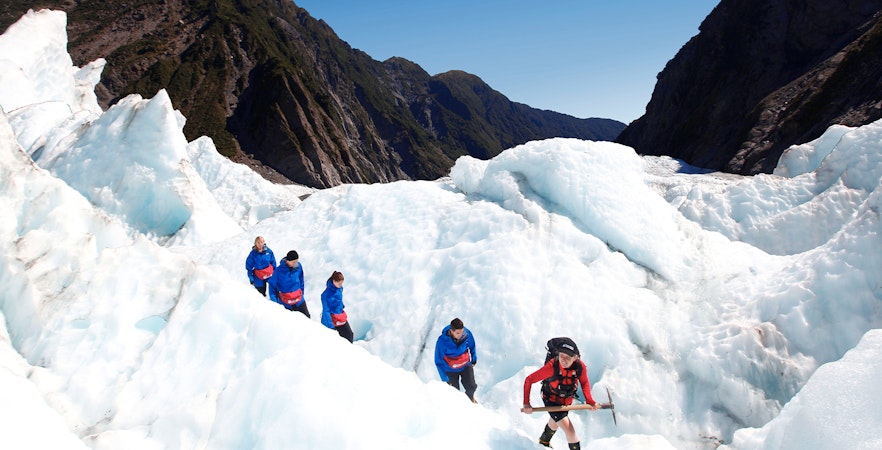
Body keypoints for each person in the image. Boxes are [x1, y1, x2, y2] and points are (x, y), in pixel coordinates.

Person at [522, 338, 597, 450]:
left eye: (568, 357)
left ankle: (543, 441)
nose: (564, 360)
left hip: (566, 400)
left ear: (575, 358)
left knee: (555, 422)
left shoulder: (579, 367)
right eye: (562, 356)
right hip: (550, 399)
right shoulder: (552, 366)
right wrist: (526, 403)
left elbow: (584, 382)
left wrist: (589, 400)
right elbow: (529, 380)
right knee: (570, 431)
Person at [434, 318, 478, 403]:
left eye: (462, 332)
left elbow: (472, 346)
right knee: (454, 394)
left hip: (465, 365)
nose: (461, 335)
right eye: (458, 333)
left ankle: (470, 400)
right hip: (450, 370)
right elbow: (438, 361)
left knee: (472, 387)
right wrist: (445, 379)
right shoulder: (442, 342)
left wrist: (474, 358)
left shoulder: (467, 334)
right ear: (451, 331)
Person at [267, 250, 310, 317]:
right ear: (287, 261)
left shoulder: (298, 266)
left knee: (307, 318)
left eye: (296, 261)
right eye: (293, 262)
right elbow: (272, 286)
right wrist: (274, 302)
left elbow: (301, 279)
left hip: (299, 299)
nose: (295, 264)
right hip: (285, 302)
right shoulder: (278, 271)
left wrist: (302, 291)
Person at [320, 271, 353, 342]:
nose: (341, 285)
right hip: (332, 320)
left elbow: (338, 300)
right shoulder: (325, 295)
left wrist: (341, 306)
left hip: (340, 316)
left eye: (342, 283)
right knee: (336, 340)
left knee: (349, 335)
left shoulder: (339, 289)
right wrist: (331, 327)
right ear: (334, 281)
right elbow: (326, 311)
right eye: (339, 283)